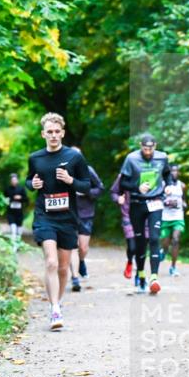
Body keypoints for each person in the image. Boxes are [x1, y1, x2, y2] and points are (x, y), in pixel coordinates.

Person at [26, 112, 91, 330]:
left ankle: (58, 303)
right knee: (51, 262)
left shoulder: (74, 157)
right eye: (49, 132)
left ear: (62, 133)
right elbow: (29, 180)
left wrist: (71, 180)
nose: (53, 135)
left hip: (67, 218)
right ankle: (54, 309)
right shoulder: (35, 158)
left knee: (63, 268)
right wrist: (32, 184)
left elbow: (87, 185)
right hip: (45, 216)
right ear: (43, 134)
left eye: (57, 132)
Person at [119, 134, 172, 294]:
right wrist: (137, 187)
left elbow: (167, 174)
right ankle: (141, 273)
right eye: (145, 148)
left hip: (155, 202)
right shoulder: (131, 159)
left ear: (155, 146)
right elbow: (123, 183)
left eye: (151, 148)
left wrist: (168, 185)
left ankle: (154, 277)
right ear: (140, 146)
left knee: (155, 238)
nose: (148, 152)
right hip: (137, 203)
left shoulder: (162, 157)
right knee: (140, 241)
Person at [68, 146, 104, 292]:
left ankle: (81, 261)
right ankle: (75, 277)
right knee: (72, 246)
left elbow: (100, 188)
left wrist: (87, 192)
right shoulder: (64, 172)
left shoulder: (88, 171)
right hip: (69, 213)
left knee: (82, 248)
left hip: (86, 214)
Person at [111, 175, 149, 281]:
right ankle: (130, 261)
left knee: (142, 247)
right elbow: (113, 192)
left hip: (145, 216)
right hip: (128, 215)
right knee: (132, 247)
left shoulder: (149, 174)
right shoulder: (123, 176)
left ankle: (139, 272)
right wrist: (118, 198)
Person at [159, 164, 187, 277]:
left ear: (179, 173)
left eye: (176, 171)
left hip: (178, 218)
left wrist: (182, 204)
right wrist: (167, 203)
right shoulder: (162, 184)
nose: (174, 173)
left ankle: (173, 267)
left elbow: (185, 201)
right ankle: (164, 251)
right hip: (165, 218)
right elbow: (157, 198)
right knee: (165, 243)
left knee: (176, 240)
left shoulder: (182, 185)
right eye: (172, 171)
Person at [3, 173, 27, 250]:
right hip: (10, 212)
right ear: (10, 181)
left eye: (15, 179)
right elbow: (4, 200)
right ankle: (14, 247)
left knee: (19, 231)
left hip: (19, 212)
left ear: (17, 180)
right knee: (13, 230)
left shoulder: (21, 189)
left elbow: (26, 200)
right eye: (12, 180)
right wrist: (12, 198)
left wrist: (20, 198)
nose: (13, 181)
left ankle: (18, 244)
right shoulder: (7, 189)